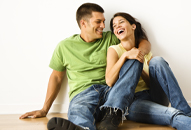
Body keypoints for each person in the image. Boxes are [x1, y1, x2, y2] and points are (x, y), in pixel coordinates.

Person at [19, 3, 151, 130]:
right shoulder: (64, 46)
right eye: (98, 22)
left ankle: (111, 117)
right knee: (79, 112)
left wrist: (139, 53)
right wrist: (44, 109)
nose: (103, 26)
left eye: (104, 22)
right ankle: (84, 128)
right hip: (83, 95)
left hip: (110, 92)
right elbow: (56, 78)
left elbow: (142, 41)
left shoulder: (110, 38)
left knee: (130, 59)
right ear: (83, 23)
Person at [101, 12, 191, 130]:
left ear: (133, 26)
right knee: (171, 114)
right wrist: (125, 56)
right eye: (114, 26)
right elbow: (109, 81)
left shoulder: (144, 51)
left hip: (152, 95)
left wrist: (139, 67)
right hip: (133, 102)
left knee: (157, 61)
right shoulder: (115, 50)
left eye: (121, 22)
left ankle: (186, 111)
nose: (117, 26)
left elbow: (150, 82)